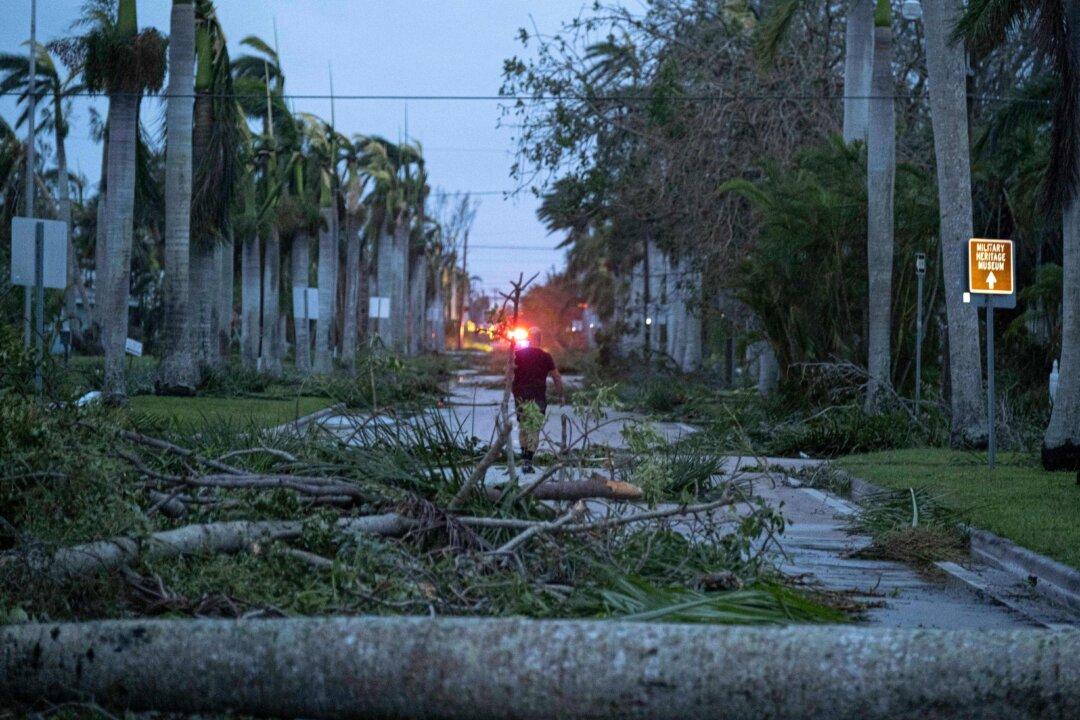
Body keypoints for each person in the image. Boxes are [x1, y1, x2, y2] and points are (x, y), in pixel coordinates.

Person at [512, 327, 564, 473]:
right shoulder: (546, 356)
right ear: (540, 339)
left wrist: (512, 390)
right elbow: (556, 376)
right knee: (534, 428)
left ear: (529, 338)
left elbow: (509, 372)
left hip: (520, 397)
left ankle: (525, 457)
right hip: (538, 397)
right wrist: (561, 394)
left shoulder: (518, 355)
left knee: (523, 426)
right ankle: (528, 459)